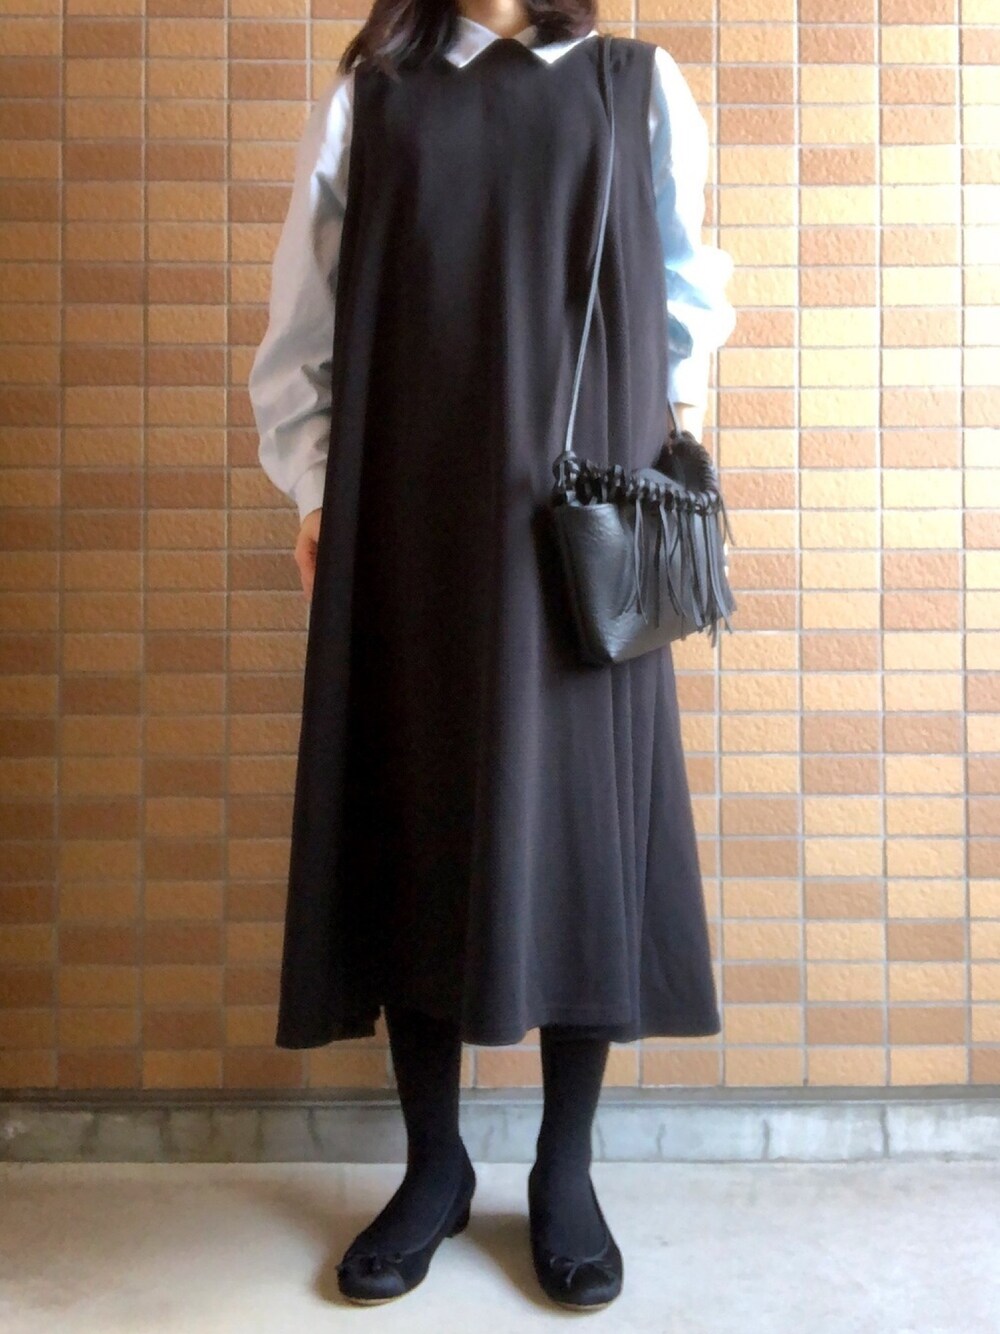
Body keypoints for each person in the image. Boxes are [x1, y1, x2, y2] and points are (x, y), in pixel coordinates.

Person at [248, 0, 736, 1310]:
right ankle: (434, 1166)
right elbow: (306, 316)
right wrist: (316, 490)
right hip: (412, 512)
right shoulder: (377, 94)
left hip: (588, 528)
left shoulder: (637, 85)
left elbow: (686, 291)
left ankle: (565, 1170)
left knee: (588, 826)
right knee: (422, 813)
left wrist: (670, 453)